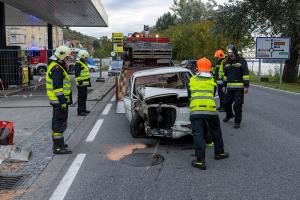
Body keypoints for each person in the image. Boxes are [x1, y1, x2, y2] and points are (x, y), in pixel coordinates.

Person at [188, 57, 229, 170]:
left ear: (197, 68)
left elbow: (189, 95)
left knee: (198, 135)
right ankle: (219, 153)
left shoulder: (192, 80)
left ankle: (200, 161)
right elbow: (213, 93)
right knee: (216, 131)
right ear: (209, 69)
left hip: (196, 111)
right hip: (211, 110)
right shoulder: (212, 80)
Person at [46, 46, 73, 154]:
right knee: (59, 123)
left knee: (59, 122)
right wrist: (62, 102)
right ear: (61, 56)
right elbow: (58, 88)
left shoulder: (57, 66)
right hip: (58, 101)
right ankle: (58, 147)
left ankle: (60, 143)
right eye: (67, 57)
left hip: (57, 101)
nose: (68, 60)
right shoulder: (57, 68)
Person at [223, 44, 250, 129]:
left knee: (237, 105)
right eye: (227, 52)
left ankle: (237, 122)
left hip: (239, 88)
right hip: (230, 88)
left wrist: (246, 86)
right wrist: (224, 85)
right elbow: (225, 75)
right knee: (226, 104)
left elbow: (245, 74)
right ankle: (230, 115)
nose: (229, 54)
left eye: (230, 52)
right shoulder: (226, 62)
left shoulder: (241, 61)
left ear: (234, 51)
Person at [74, 49, 91, 116]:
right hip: (81, 84)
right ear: (82, 56)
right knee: (81, 98)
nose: (86, 59)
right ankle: (80, 111)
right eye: (85, 58)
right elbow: (77, 75)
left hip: (85, 84)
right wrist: (80, 82)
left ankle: (84, 109)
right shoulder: (78, 64)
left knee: (84, 97)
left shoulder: (82, 63)